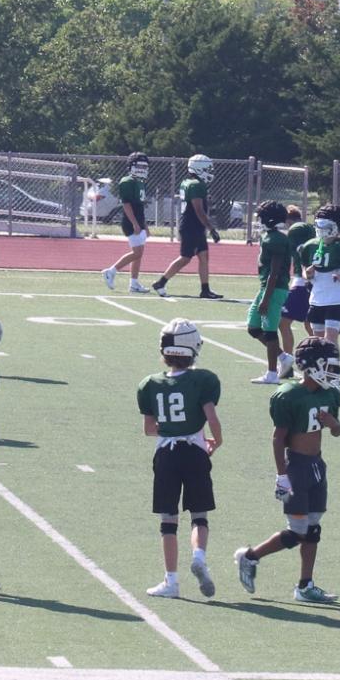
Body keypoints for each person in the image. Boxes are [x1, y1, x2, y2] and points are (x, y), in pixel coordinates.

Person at [234, 336, 340, 604]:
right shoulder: (289, 395)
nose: (333, 371)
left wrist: (332, 423)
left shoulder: (330, 394)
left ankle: (305, 585)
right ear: (311, 366)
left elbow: (338, 431)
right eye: (327, 366)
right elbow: (278, 438)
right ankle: (250, 557)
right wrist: (282, 474)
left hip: (317, 465)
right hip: (296, 467)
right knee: (298, 531)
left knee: (313, 528)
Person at [138, 319, 223, 598]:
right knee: (199, 516)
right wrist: (216, 441)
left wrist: (172, 427)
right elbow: (211, 418)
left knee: (168, 520)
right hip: (196, 452)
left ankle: (171, 581)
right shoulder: (204, 380)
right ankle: (199, 555)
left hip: (166, 454)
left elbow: (150, 429)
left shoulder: (150, 384)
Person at [150, 155, 224, 300]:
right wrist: (211, 228)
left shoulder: (188, 182)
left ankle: (205, 289)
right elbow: (199, 210)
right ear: (199, 168)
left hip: (193, 225)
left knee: (203, 256)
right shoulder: (197, 185)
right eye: (207, 168)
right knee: (185, 258)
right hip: (192, 225)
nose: (210, 171)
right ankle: (161, 282)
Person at [296, 204, 340, 346]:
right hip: (316, 299)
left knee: (330, 341)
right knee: (319, 342)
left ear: (336, 226)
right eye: (319, 225)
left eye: (326, 226)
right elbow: (304, 272)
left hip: (335, 300)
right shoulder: (310, 246)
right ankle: (324, 366)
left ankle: (333, 367)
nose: (321, 230)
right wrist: (307, 274)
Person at [246, 201, 295, 384]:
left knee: (270, 331)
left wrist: (266, 299)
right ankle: (283, 357)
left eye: (262, 216)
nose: (259, 220)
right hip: (266, 287)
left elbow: (275, 272)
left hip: (274, 289)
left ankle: (272, 374)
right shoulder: (268, 236)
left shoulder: (276, 239)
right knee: (253, 328)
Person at [105, 153, 153, 294]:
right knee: (137, 253)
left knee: (139, 254)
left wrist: (144, 225)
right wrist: (135, 224)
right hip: (130, 222)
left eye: (144, 166)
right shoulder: (127, 181)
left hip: (138, 221)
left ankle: (134, 283)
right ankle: (111, 271)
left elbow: (139, 207)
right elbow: (126, 205)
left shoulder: (140, 182)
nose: (142, 169)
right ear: (131, 166)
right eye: (139, 166)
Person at [281, 206, 316, 355]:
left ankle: (287, 361)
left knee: (283, 322)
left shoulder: (296, 229)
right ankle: (321, 355)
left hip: (302, 282)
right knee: (310, 324)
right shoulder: (309, 227)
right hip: (313, 282)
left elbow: (297, 252)